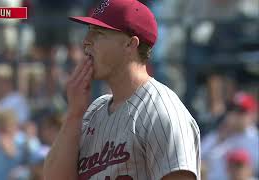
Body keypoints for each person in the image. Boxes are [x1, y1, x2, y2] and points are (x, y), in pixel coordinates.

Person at [44, 0, 200, 179]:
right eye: (89, 32)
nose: (86, 42)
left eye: (99, 33)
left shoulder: (162, 111)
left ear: (130, 44)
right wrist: (74, 114)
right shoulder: (94, 110)